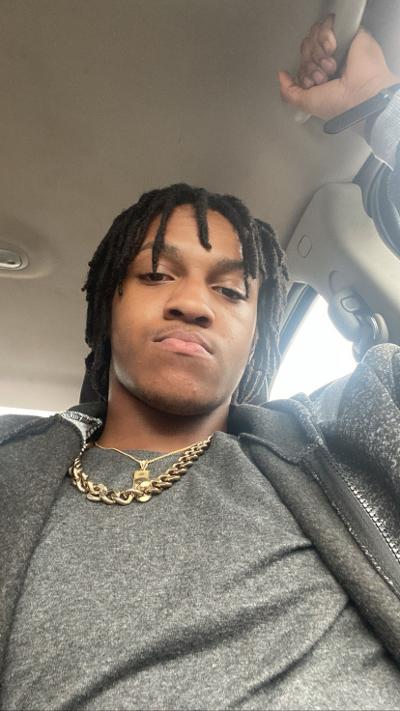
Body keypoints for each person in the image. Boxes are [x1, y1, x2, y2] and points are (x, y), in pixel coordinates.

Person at [1, 15, 400, 711]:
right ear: (107, 306)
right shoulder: (12, 474)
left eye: (230, 290)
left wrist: (379, 112)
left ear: (257, 337)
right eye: (157, 275)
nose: (191, 303)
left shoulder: (347, 439)